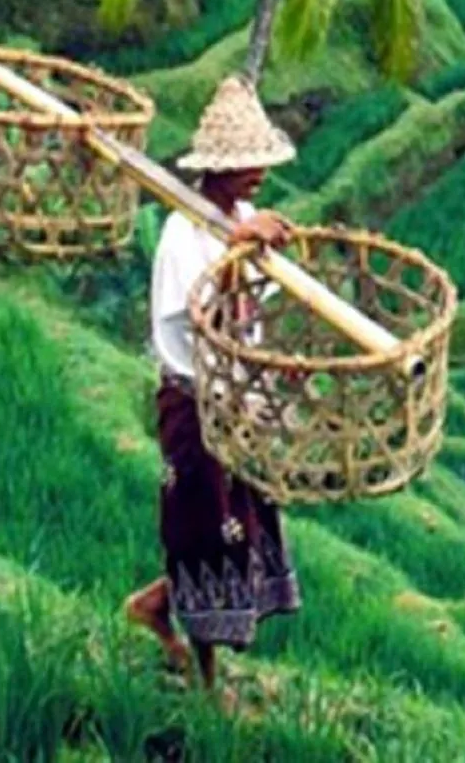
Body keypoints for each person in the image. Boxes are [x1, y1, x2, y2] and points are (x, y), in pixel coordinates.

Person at [123, 75, 302, 693]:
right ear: (215, 172)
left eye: (260, 163)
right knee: (203, 530)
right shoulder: (182, 235)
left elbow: (261, 307)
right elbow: (205, 321)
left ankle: (152, 604)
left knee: (241, 528)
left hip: (237, 403)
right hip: (195, 402)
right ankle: (205, 681)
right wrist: (236, 255)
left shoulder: (244, 217)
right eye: (245, 165)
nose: (257, 175)